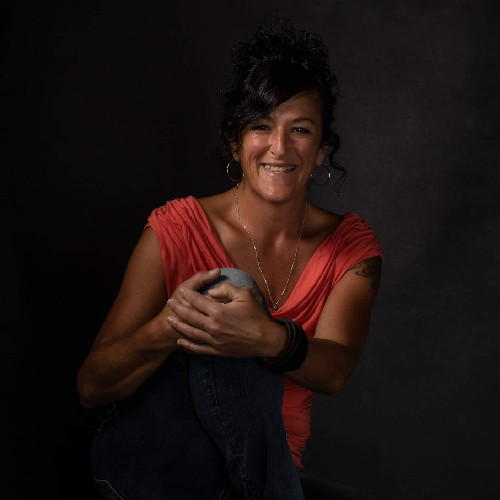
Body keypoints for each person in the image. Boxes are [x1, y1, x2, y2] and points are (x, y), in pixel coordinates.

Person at [77, 20, 383, 500]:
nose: (279, 147)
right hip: (156, 468)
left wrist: (265, 336)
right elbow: (92, 387)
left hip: (261, 472)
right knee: (228, 290)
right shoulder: (176, 229)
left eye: (300, 130)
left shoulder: (350, 248)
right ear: (236, 142)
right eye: (261, 126)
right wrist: (171, 326)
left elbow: (334, 370)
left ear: (322, 148)